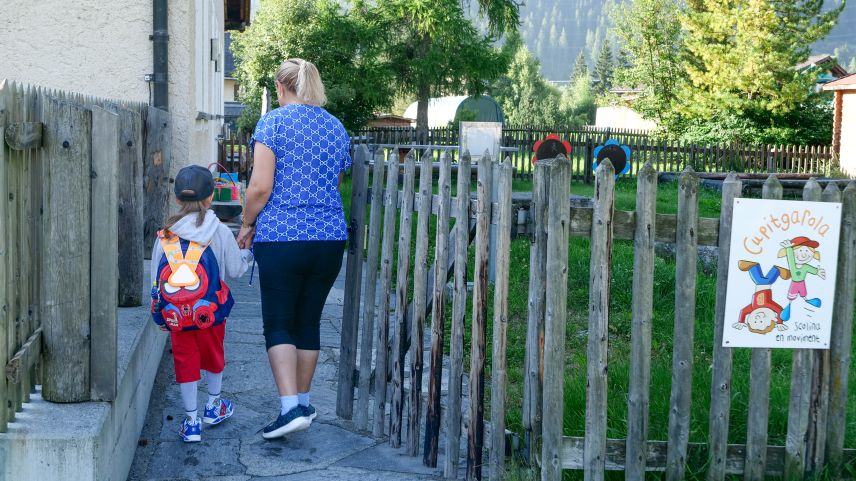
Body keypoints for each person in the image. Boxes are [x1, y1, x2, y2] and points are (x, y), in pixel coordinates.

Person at [237, 58, 351, 439]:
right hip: (329, 239)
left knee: (279, 322)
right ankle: (302, 401)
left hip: (283, 237)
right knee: (308, 321)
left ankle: (289, 409)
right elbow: (333, 184)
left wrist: (248, 222)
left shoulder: (273, 123)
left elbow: (259, 188)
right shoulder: (335, 127)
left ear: (281, 87)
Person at [150, 165, 249, 442]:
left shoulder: (166, 234)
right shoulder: (217, 230)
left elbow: (155, 281)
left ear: (177, 199)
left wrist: (160, 314)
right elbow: (235, 269)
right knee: (214, 356)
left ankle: (192, 422)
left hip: (176, 316)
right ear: (210, 198)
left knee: (185, 362)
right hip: (211, 312)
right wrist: (246, 254)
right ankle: (214, 406)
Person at [777, 236, 826, 321]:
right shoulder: (792, 266)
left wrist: (818, 272)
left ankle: (807, 300)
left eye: (807, 250)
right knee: (791, 297)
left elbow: (812, 270)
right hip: (794, 284)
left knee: (803, 294)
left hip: (802, 283)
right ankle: (789, 305)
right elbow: (791, 258)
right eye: (800, 250)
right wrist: (788, 248)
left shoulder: (805, 267)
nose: (804, 254)